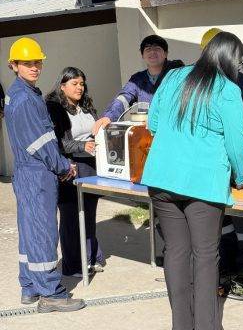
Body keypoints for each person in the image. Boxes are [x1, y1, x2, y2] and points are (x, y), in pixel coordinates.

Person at [142, 31, 243, 330]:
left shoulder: (173, 76)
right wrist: (240, 177)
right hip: (203, 182)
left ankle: (181, 329)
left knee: (175, 251)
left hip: (162, 178)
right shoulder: (228, 90)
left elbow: (153, 124)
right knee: (205, 255)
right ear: (231, 59)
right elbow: (236, 143)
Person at [4, 37, 85, 313]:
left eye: (37, 62)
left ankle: (29, 287)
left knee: (30, 231)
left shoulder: (21, 93)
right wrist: (63, 166)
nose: (34, 67)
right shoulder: (26, 99)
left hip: (27, 172)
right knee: (43, 233)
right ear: (14, 65)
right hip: (37, 173)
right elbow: (41, 143)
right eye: (27, 63)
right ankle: (51, 293)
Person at [200, 29, 243, 280]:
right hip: (218, 166)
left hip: (238, 161)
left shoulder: (241, 85)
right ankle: (227, 264)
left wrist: (240, 171)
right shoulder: (205, 83)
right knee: (223, 219)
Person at [46, 67, 104, 277]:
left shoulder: (86, 107)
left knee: (89, 214)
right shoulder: (55, 108)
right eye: (74, 84)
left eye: (82, 84)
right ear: (62, 86)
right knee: (71, 217)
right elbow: (58, 142)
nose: (80, 88)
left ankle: (90, 257)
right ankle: (72, 265)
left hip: (91, 166)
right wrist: (82, 146)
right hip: (69, 168)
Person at [92, 34, 184, 134]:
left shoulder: (178, 73)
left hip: (173, 129)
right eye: (148, 49)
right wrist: (109, 116)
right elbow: (124, 98)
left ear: (166, 53)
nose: (152, 52)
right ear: (142, 55)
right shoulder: (137, 79)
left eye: (157, 48)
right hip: (147, 132)